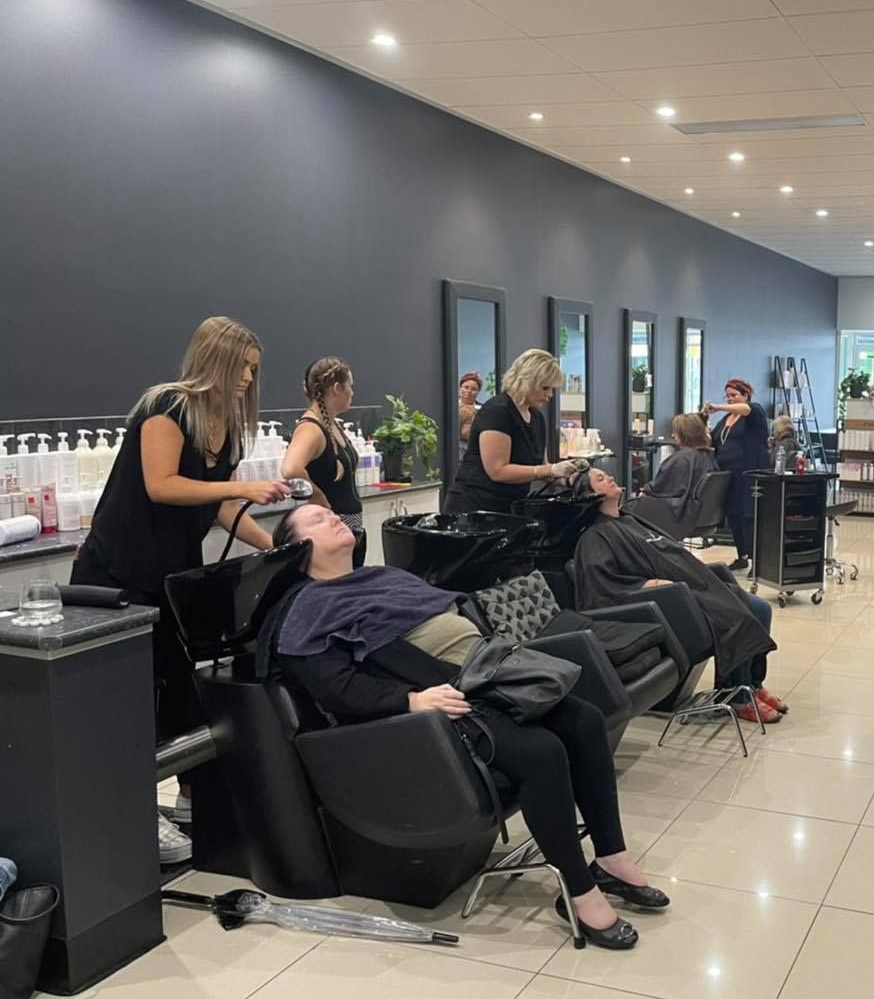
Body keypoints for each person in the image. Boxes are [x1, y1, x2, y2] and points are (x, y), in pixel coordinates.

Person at [267, 504, 668, 950]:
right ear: (296, 547)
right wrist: (411, 700)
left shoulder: (380, 577)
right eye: (317, 519)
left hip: (489, 675)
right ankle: (579, 891)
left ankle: (611, 859)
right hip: (439, 701)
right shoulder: (307, 608)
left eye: (330, 512)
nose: (334, 518)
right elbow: (336, 688)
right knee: (541, 753)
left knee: (586, 720)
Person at [71, 316, 292, 862]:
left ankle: (196, 800)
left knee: (182, 691)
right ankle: (132, 812)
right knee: (129, 697)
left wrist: (274, 547)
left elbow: (218, 507)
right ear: (214, 361)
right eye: (241, 367)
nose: (248, 378)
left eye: (253, 369)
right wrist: (244, 486)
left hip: (172, 579)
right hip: (116, 577)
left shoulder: (227, 428)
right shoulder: (167, 407)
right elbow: (162, 485)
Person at [574, 467, 786, 723]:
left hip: (693, 585)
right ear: (590, 495)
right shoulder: (595, 537)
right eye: (600, 479)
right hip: (673, 599)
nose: (609, 477)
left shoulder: (629, 519)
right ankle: (739, 697)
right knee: (739, 615)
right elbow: (604, 590)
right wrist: (656, 584)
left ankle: (752, 684)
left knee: (761, 609)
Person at [446, 350, 579, 514]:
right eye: (545, 388)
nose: (550, 395)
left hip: (508, 506)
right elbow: (498, 471)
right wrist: (550, 470)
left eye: (552, 389)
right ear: (527, 382)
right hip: (474, 507)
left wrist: (572, 477)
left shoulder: (537, 417)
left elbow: (542, 468)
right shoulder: (497, 411)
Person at [282, 357, 365, 560]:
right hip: (331, 526)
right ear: (337, 388)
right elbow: (291, 469)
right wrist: (317, 495)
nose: (352, 393)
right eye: (350, 386)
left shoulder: (330, 423)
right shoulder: (311, 428)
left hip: (347, 524)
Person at [704, 378, 769, 570]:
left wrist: (718, 407)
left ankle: (759, 561)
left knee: (750, 516)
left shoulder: (754, 412)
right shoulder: (725, 420)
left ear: (746, 395)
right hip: (728, 475)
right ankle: (742, 555)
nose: (730, 399)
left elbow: (746, 409)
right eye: (727, 396)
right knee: (734, 515)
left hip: (749, 473)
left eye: (734, 395)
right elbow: (713, 440)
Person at [623, 412, 717, 537]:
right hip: (701, 514)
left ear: (684, 434)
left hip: (680, 513)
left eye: (675, 432)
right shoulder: (708, 455)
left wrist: (645, 491)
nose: (673, 435)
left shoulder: (682, 458)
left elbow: (661, 487)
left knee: (627, 509)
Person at [457, 371, 481, 463]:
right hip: (458, 452)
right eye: (466, 387)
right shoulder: (452, 407)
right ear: (460, 388)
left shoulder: (482, 410)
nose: (469, 391)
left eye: (474, 389)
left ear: (478, 392)